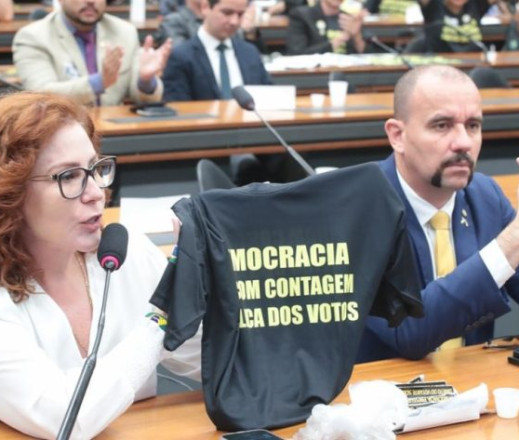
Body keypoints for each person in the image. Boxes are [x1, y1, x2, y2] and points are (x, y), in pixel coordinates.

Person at [0, 91, 201, 439]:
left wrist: (210, 282)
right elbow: (64, 419)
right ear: (10, 192)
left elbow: (205, 358)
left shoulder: (124, 253)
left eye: (95, 169)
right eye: (68, 176)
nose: (96, 192)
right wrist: (162, 315)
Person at [356, 65, 519, 363]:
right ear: (397, 136)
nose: (463, 143)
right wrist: (513, 240)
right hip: (385, 396)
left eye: (473, 126)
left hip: (474, 393)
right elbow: (407, 332)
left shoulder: (485, 196)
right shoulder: (360, 208)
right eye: (442, 125)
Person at [12, 0, 173, 106]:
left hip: (113, 135)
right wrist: (99, 82)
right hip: (59, 135)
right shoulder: (33, 36)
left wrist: (145, 80)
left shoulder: (124, 31)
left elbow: (142, 98)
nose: (90, 1)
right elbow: (41, 96)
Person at [162, 0, 271, 102]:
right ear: (205, 7)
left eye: (240, 14)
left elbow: (270, 97)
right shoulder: (181, 56)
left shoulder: (250, 52)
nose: (234, 21)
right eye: (227, 13)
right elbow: (178, 108)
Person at [158, 0, 265, 51]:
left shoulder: (233, 18)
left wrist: (250, 32)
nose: (234, 21)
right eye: (227, 13)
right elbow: (180, 58)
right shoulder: (173, 22)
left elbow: (254, 61)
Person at [417, 0, 508, 53]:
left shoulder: (476, 4)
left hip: (475, 61)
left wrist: (506, 11)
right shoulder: (434, 5)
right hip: (439, 61)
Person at [286, 0, 367, 55]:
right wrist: (340, 39)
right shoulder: (301, 15)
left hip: (350, 73)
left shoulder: (350, 17)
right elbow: (296, 53)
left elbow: (368, 55)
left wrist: (357, 37)